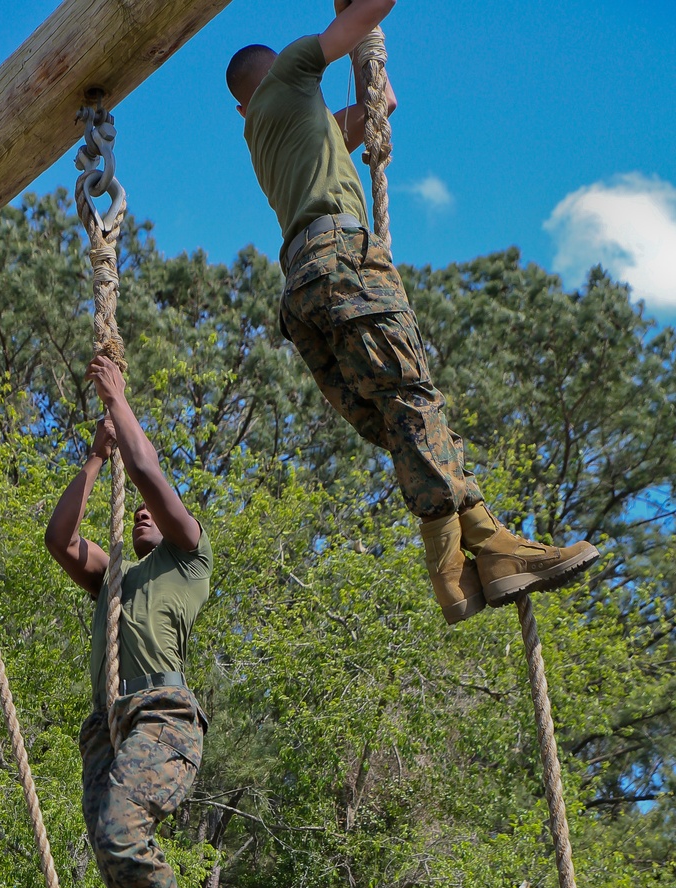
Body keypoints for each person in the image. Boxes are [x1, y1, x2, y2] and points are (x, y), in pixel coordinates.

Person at [225, 1, 598, 626]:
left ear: (241, 104)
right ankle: (451, 564)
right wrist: (362, 23)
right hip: (342, 258)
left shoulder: (262, 130)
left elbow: (375, 114)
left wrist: (374, 71)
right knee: (415, 402)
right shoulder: (292, 72)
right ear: (284, 71)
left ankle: (485, 545)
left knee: (398, 421)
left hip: (302, 289)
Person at [44, 354, 244, 888]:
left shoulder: (189, 558)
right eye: (131, 515)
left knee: (124, 831)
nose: (139, 516)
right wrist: (95, 462)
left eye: (147, 514)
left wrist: (119, 403)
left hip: (159, 714)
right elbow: (60, 540)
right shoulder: (115, 582)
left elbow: (153, 476)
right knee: (109, 853)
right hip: (108, 728)